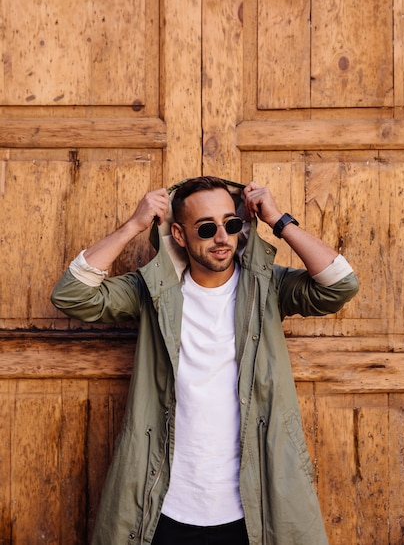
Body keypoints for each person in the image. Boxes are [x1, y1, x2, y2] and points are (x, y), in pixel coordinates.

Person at [51, 176, 359, 545]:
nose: (222, 238)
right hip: (164, 500)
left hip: (254, 504)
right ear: (179, 235)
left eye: (231, 224)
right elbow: (71, 295)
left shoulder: (267, 286)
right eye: (207, 228)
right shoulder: (151, 290)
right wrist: (134, 225)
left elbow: (340, 285)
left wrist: (279, 220)